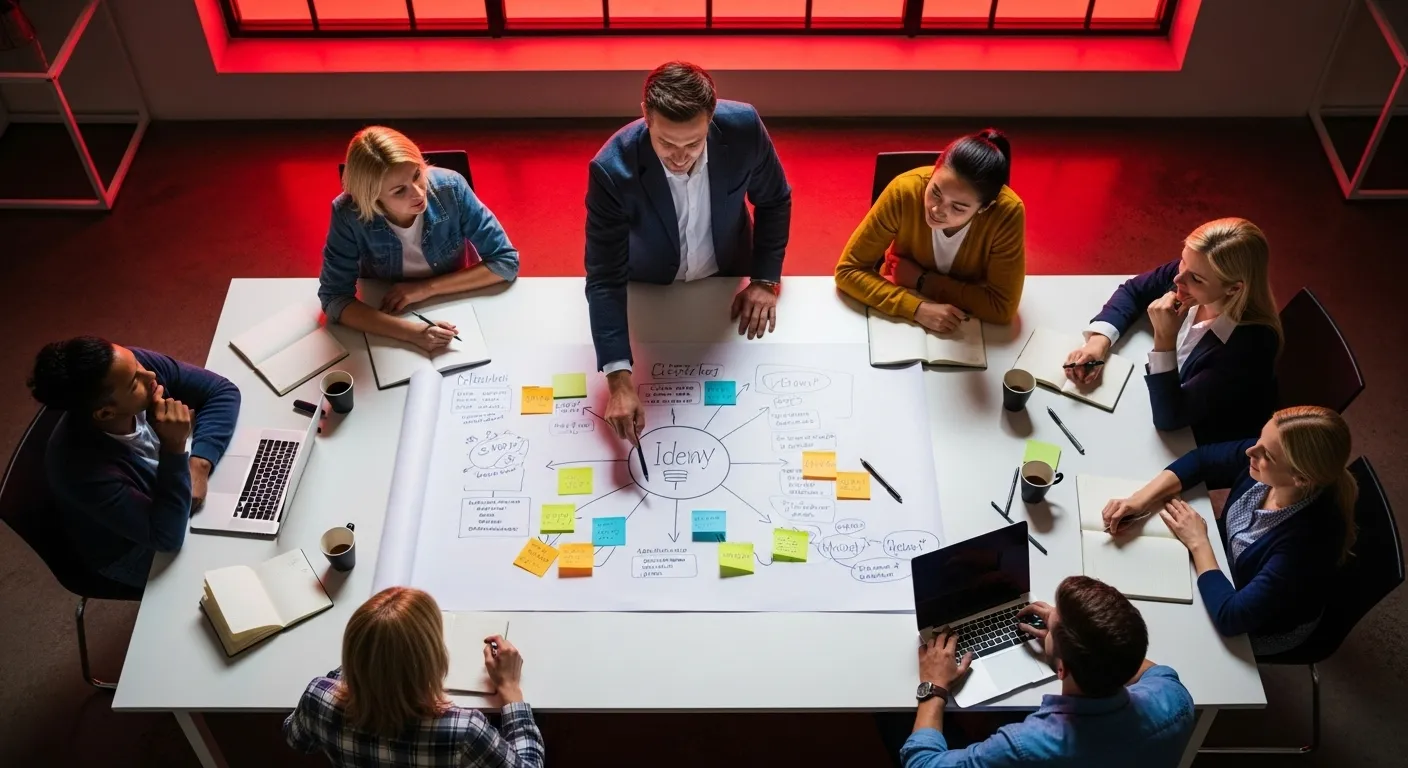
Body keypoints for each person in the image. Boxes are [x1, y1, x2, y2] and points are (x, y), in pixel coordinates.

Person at [586, 61, 792, 442]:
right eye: (666, 143)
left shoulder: (745, 128)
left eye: (693, 144)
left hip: (726, 276)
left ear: (711, 119)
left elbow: (774, 200)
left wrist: (764, 279)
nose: (680, 158)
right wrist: (618, 379)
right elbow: (604, 276)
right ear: (646, 117)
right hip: (650, 288)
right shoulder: (611, 169)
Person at [1103, 406, 1357, 655]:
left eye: (1266, 454)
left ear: (1299, 478)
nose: (1250, 451)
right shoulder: (1271, 456)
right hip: (1228, 567)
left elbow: (1231, 617)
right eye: (1259, 439)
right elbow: (1202, 460)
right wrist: (1139, 500)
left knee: (1168, 641)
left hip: (1263, 626)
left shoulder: (1305, 546)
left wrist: (1199, 543)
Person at [902, 576, 1194, 767]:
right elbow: (1148, 668)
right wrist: (1075, 637)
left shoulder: (1023, 746)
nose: (1050, 617)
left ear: (1062, 669)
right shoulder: (1175, 700)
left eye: (1053, 625)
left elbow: (921, 763)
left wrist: (934, 686)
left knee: (892, 723)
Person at [26, 337, 241, 589]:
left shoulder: (130, 368)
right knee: (232, 575)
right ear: (106, 413)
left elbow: (222, 392)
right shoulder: (80, 470)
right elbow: (165, 537)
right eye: (133, 383)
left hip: (169, 493)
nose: (149, 374)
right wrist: (174, 448)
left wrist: (199, 464)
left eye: (137, 363)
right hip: (132, 548)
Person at [1065, 217, 1281, 444]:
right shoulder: (1192, 273)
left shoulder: (1250, 347)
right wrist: (1098, 342)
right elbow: (1133, 290)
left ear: (1234, 289)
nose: (1178, 278)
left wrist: (1164, 338)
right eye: (1183, 261)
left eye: (1196, 278)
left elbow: (1170, 418)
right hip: (1160, 399)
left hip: (1200, 438)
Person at [284, 586, 545, 767]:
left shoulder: (317, 698)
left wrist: (364, 664)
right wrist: (511, 690)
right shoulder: (464, 732)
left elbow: (296, 739)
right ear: (433, 661)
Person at [319, 126, 520, 352]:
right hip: (387, 305)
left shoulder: (451, 188)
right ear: (372, 197)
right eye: (399, 191)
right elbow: (334, 298)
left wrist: (424, 289)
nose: (418, 193)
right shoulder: (348, 213)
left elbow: (505, 262)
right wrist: (412, 333)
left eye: (417, 175)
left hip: (456, 296)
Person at [835, 129, 1025, 334]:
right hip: (905, 300)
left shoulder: (1007, 213)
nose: (937, 210)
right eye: (935, 192)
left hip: (965, 323)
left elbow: (1002, 307)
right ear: (933, 171)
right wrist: (917, 308)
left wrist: (922, 281)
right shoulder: (904, 191)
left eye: (958, 208)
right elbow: (848, 271)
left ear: (984, 208)